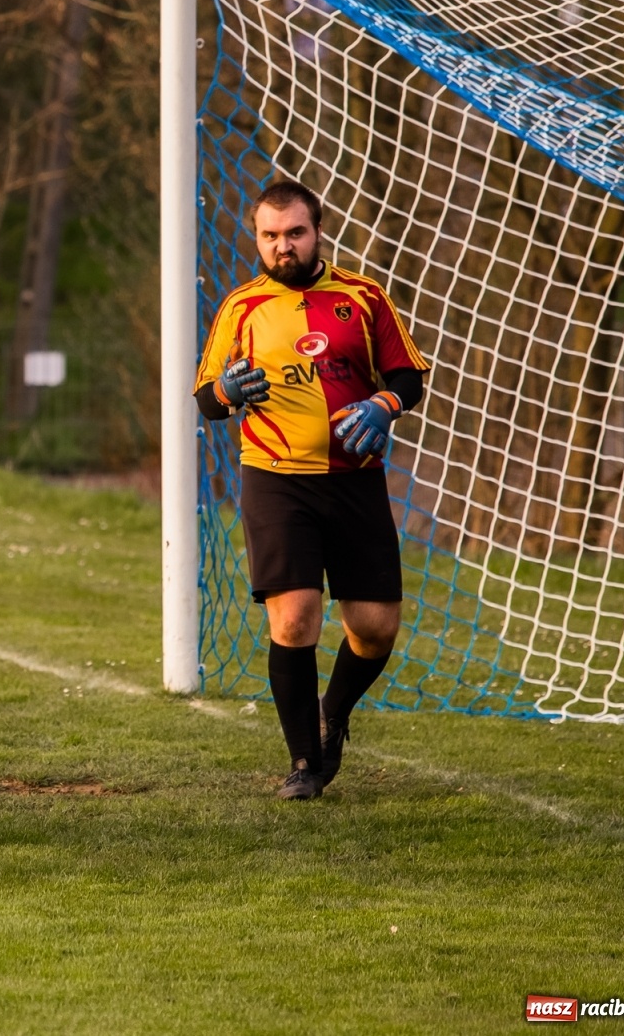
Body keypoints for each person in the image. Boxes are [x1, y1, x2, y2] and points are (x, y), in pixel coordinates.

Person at [193, 179, 430, 800]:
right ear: (257, 239)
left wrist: (383, 404)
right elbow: (206, 397)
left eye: (294, 233)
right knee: (296, 619)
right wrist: (227, 394)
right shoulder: (241, 308)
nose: (282, 246)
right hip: (276, 479)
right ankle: (305, 764)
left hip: (355, 480)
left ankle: (334, 710)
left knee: (375, 628)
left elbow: (409, 376)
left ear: (316, 231)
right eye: (269, 236)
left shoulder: (363, 296)